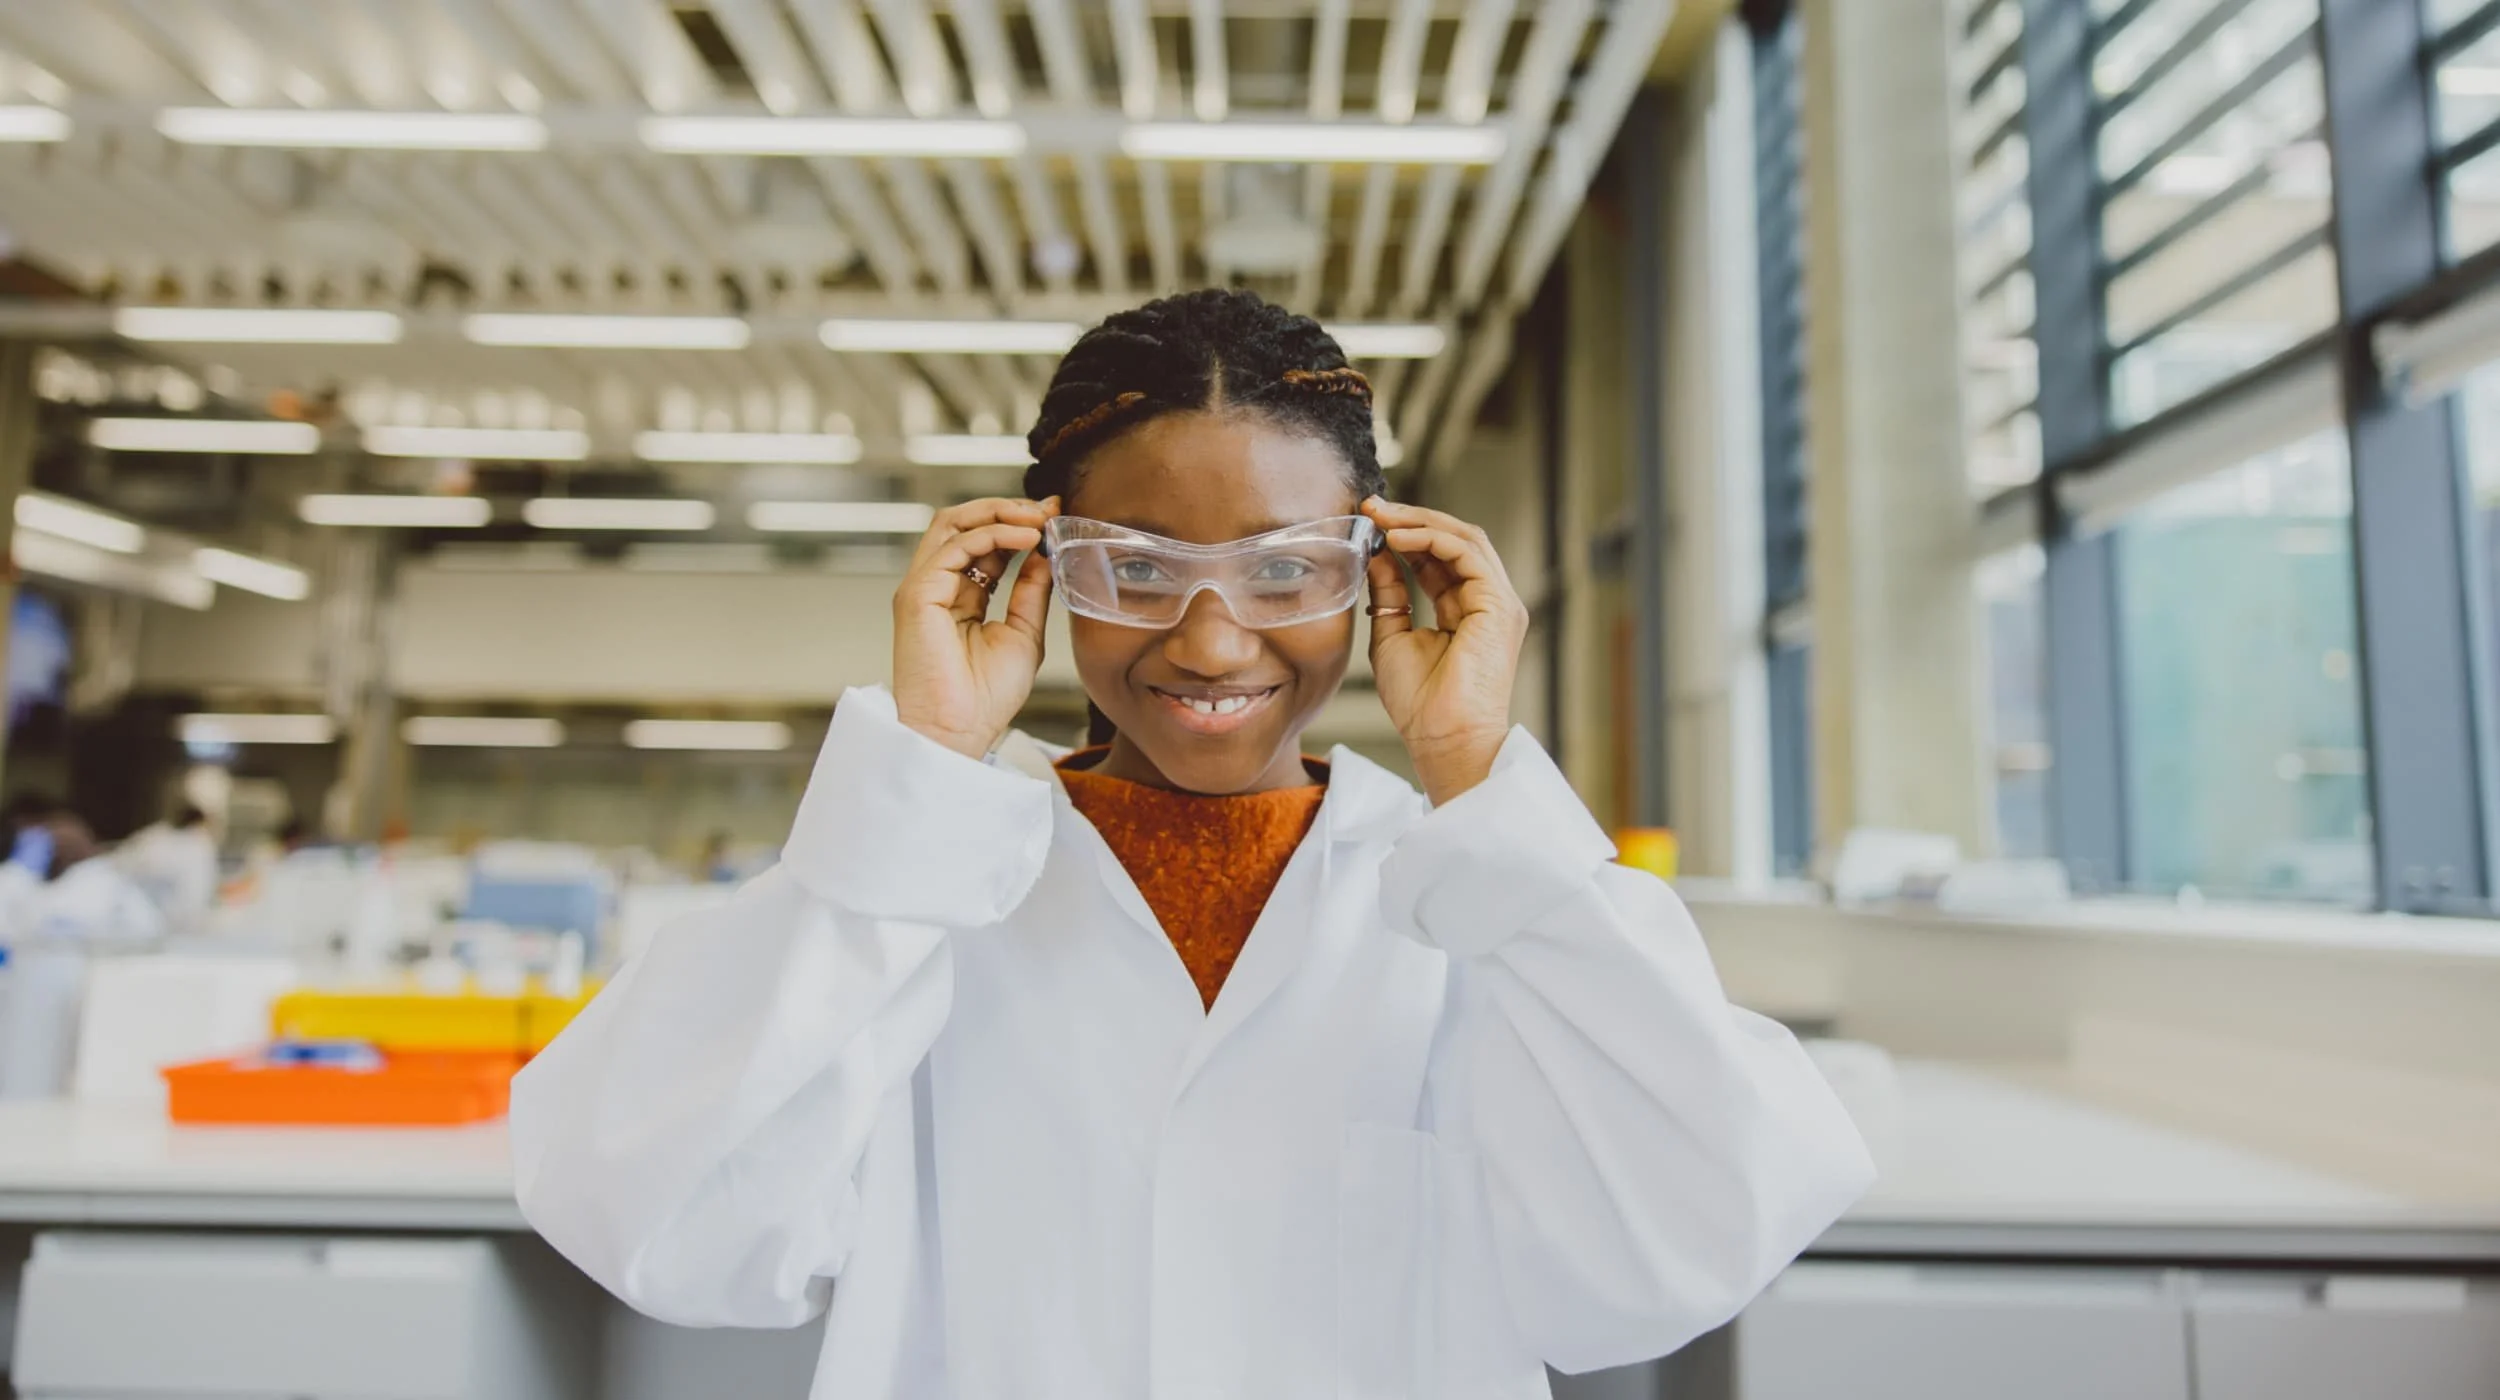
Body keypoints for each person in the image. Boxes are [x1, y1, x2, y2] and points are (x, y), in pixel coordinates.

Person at [512, 289, 1872, 1397]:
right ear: (1040, 572)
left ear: (1373, 575)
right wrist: (924, 770)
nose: (1214, 640)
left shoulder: (1477, 894)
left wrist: (1476, 773)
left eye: (1287, 569)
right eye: (1138, 569)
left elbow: (1716, 1216)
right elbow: (647, 1211)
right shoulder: (919, 893)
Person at [116, 803, 220, 935]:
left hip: (156, 918)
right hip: (171, 919)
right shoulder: (196, 845)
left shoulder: (156, 837)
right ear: (200, 822)